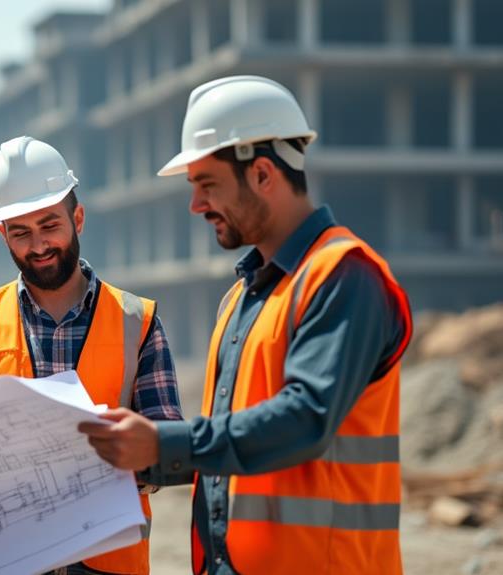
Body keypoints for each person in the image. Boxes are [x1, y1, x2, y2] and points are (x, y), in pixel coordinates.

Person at [78, 76, 412, 575]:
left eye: (207, 184)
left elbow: (306, 419)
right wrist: (141, 454)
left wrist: (168, 443)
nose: (195, 205)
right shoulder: (241, 298)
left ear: (262, 174)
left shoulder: (343, 275)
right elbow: (233, 445)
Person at [0, 136, 183, 575]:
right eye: (21, 232)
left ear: (77, 218)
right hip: (1, 559)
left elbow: (168, 450)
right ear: (2, 234)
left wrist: (102, 464)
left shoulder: (136, 322)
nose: (39, 245)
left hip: (105, 562)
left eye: (50, 225)